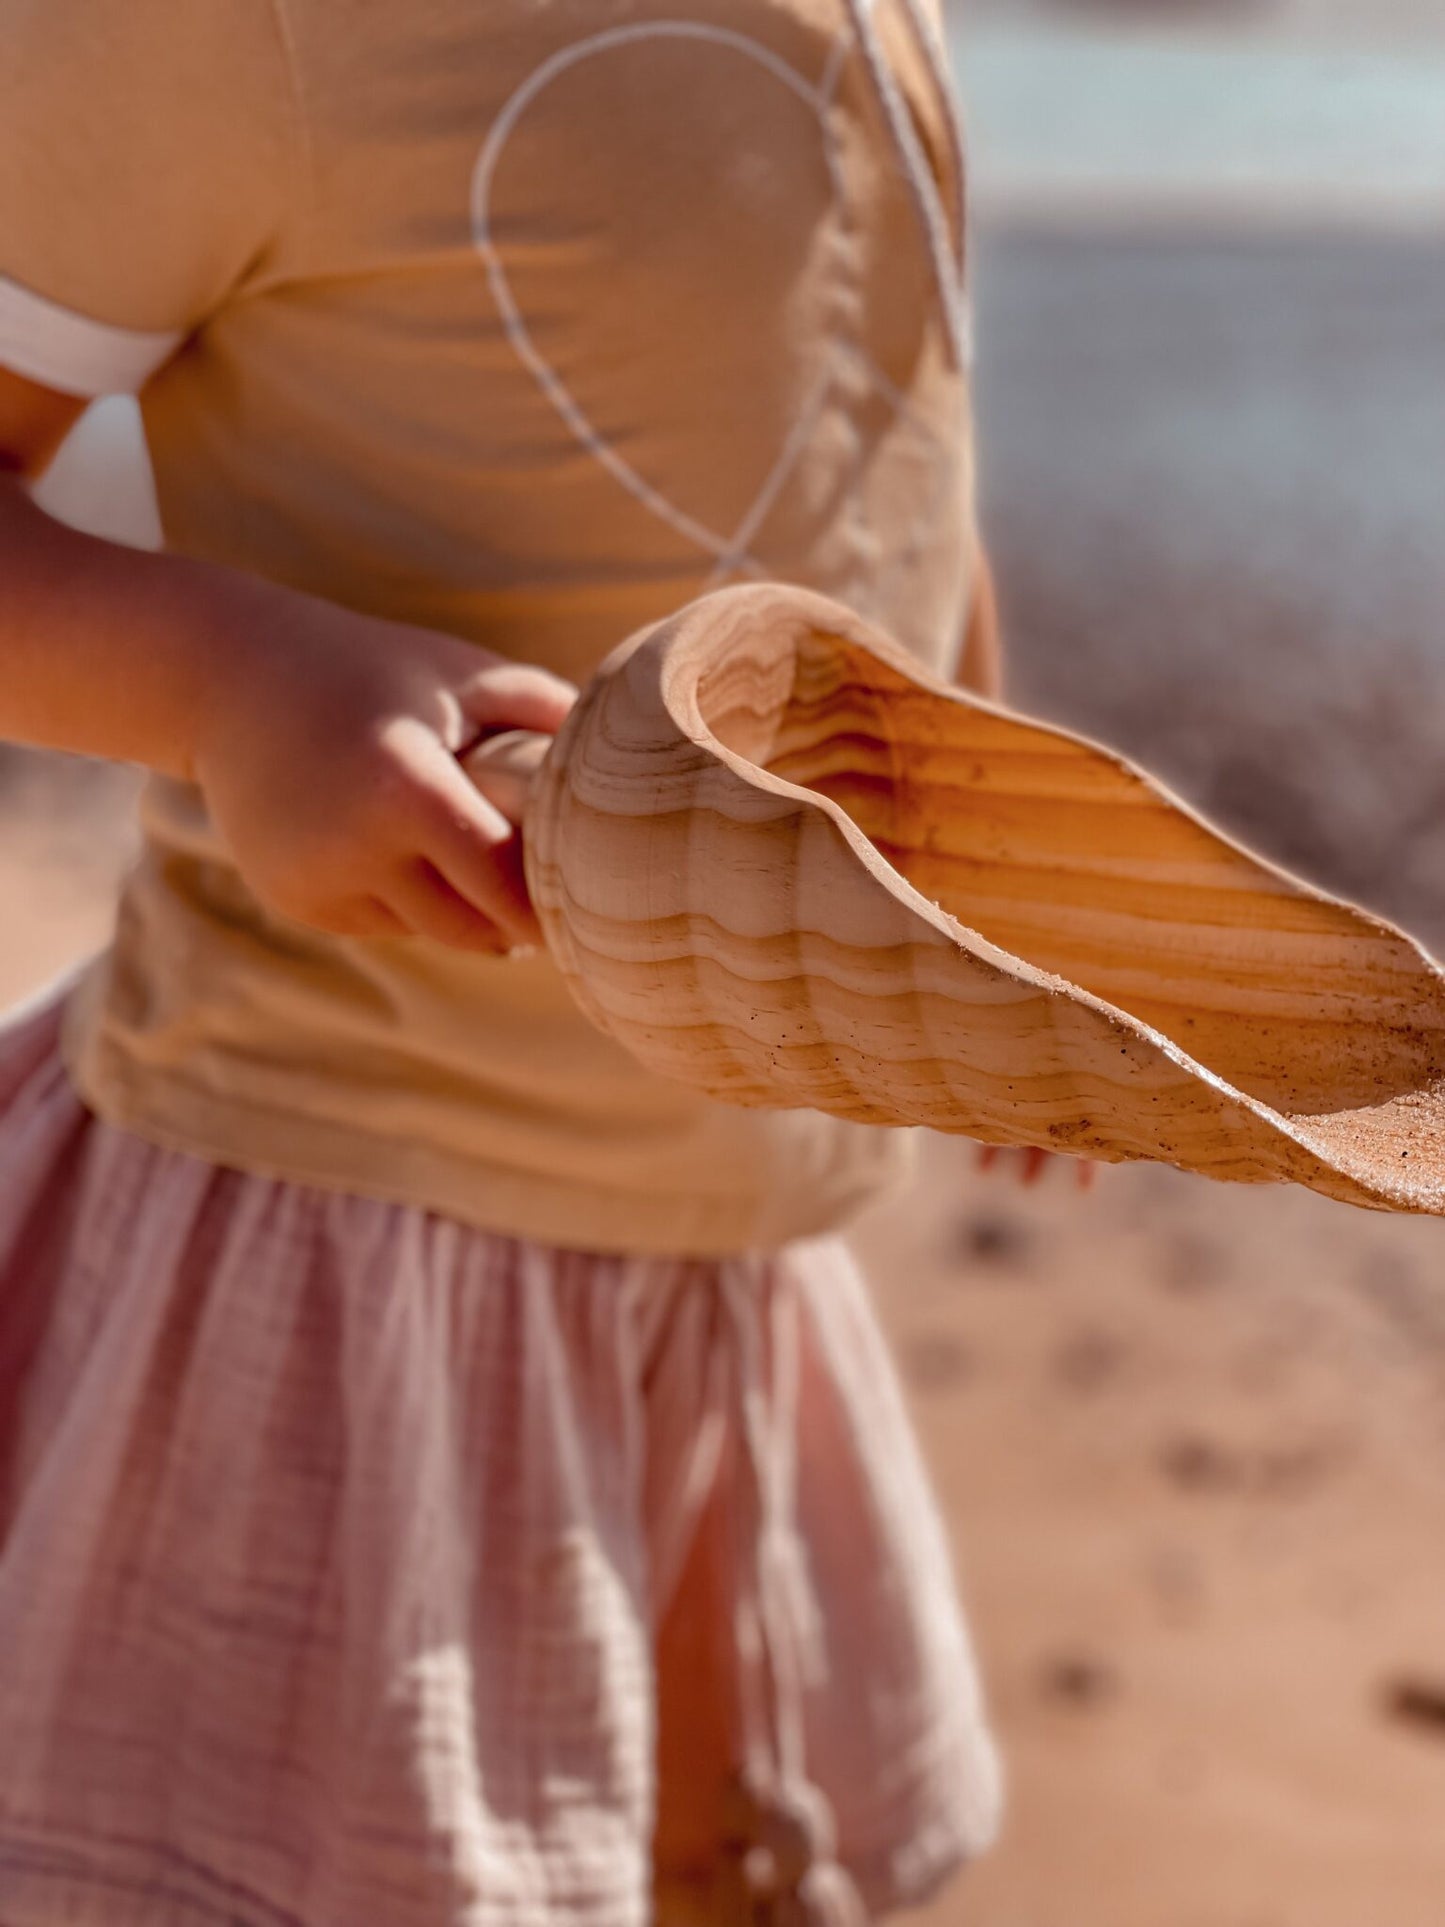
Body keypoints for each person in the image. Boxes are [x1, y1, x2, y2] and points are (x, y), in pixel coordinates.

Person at [0, 0, 1008, 1920]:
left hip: (731, 1227)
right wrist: (226, 682)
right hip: (347, 1229)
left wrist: (1003, 915)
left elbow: (893, 449)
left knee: (718, 1862)